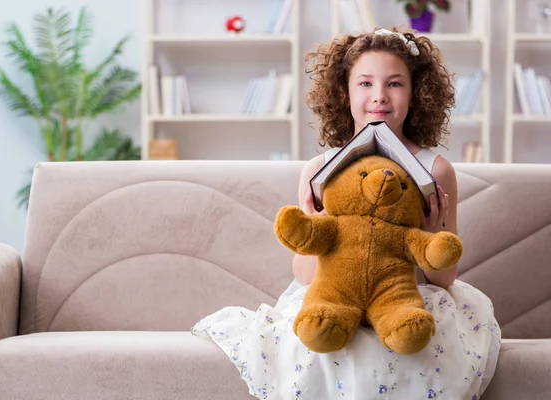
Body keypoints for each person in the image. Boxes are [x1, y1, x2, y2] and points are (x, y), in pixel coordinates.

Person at [192, 27, 501, 400]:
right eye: (365, 83)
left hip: (407, 295)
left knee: (414, 348)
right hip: (334, 291)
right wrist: (316, 227)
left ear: (417, 92)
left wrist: (432, 232)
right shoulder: (319, 169)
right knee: (318, 345)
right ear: (345, 91)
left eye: (395, 84)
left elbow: (445, 276)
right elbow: (305, 276)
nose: (379, 97)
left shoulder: (436, 170)